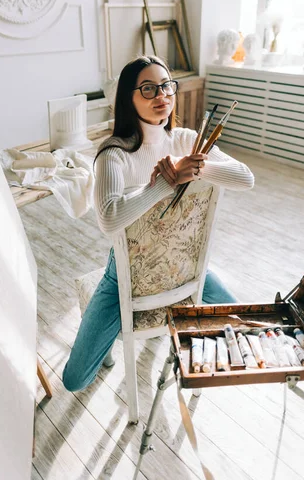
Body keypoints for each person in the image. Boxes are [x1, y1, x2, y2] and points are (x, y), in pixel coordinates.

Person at [62, 55, 254, 392]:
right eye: (148, 89)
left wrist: (187, 166)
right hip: (127, 268)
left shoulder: (184, 141)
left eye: (166, 86)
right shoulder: (113, 154)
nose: (161, 95)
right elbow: (109, 220)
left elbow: (245, 177)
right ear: (128, 98)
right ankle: (98, 312)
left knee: (243, 326)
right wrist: (163, 184)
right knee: (74, 381)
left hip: (186, 262)